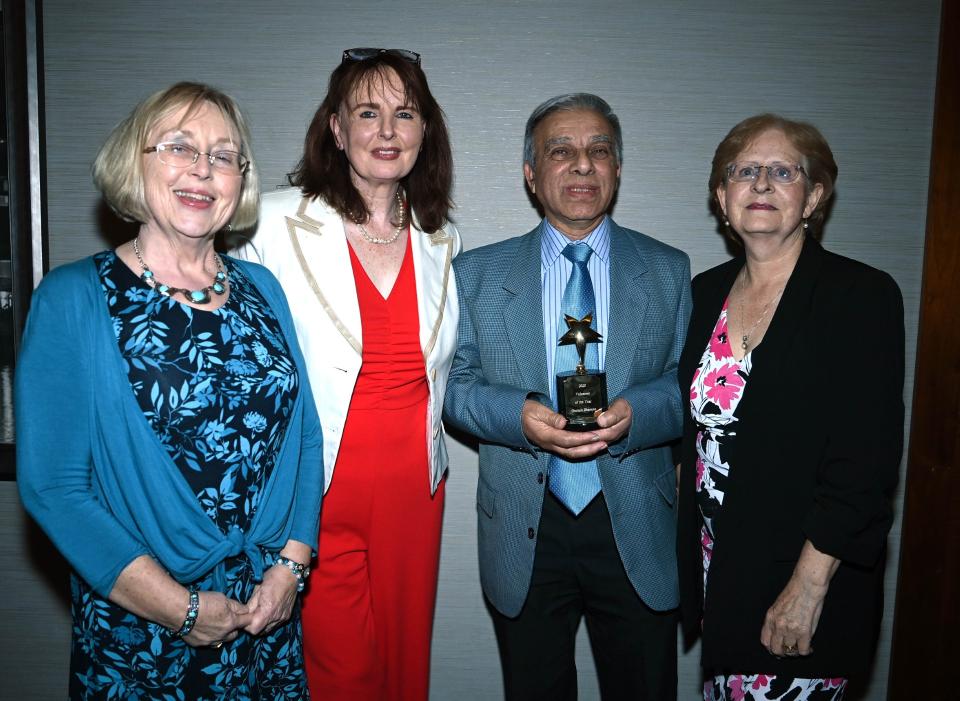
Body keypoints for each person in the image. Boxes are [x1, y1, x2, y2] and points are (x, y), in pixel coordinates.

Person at [16, 82, 323, 699]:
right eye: (179, 148)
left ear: (241, 179)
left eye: (224, 155)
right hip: (143, 630)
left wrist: (290, 568)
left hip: (267, 622)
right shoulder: (72, 297)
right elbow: (54, 488)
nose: (202, 170)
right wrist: (179, 609)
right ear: (137, 160)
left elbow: (307, 440)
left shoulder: (264, 287)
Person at [443, 93, 691, 700]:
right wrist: (517, 416)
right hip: (526, 524)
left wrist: (638, 414)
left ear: (617, 169)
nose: (582, 165)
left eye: (598, 150)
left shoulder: (667, 268)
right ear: (532, 173)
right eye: (562, 151)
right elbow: (453, 389)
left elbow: (690, 387)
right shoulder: (476, 272)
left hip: (635, 515)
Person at [232, 48, 459, 701]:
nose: (387, 131)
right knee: (343, 676)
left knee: (405, 670)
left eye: (405, 114)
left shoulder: (443, 239)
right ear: (336, 128)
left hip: (417, 492)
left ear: (424, 132)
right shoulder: (270, 221)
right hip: (319, 486)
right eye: (368, 112)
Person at [677, 114, 904, 700]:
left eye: (783, 172)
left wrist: (807, 587)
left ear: (814, 196)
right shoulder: (702, 294)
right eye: (744, 171)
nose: (761, 185)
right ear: (721, 196)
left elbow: (866, 463)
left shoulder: (860, 296)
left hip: (806, 583)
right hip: (722, 578)